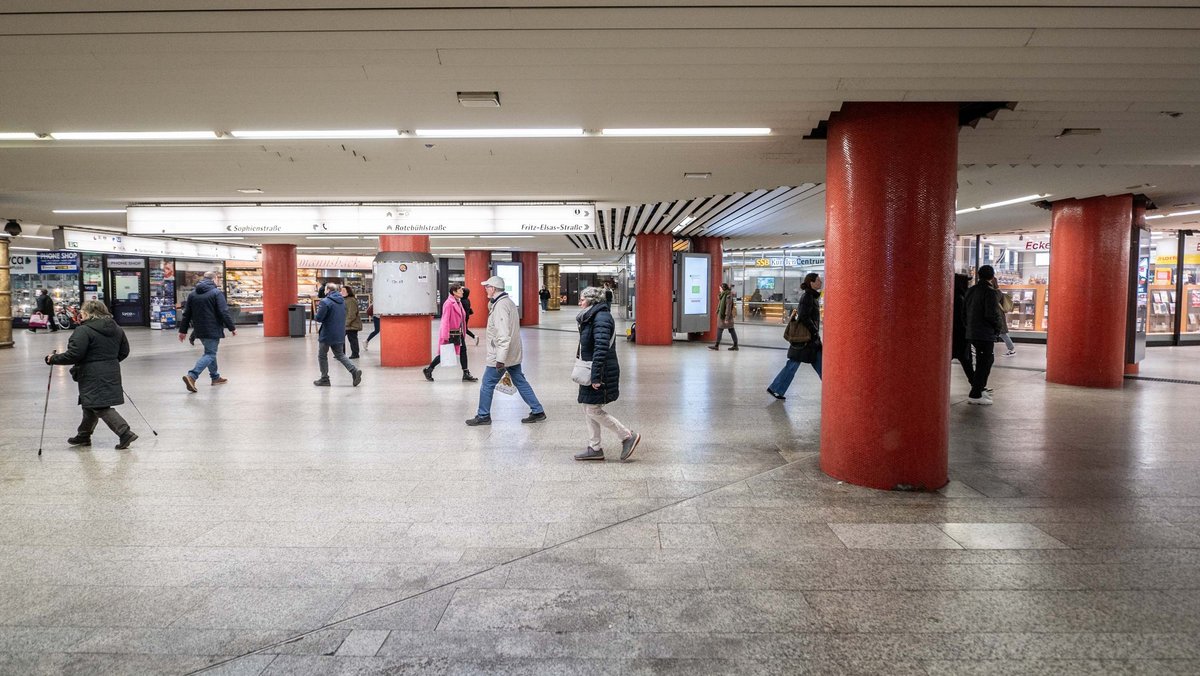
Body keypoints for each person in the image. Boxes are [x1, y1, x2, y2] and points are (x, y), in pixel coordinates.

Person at [45, 300, 137, 449]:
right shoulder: (117, 329)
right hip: (110, 370)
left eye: (82, 311)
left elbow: (74, 354)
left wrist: (53, 359)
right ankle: (84, 435)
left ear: (87, 313)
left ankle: (125, 433)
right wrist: (109, 362)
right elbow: (124, 352)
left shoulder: (84, 330)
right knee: (90, 404)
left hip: (91, 374)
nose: (80, 313)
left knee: (100, 406)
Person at [465, 276, 546, 426]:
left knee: (487, 383)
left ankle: (483, 415)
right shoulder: (506, 303)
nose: (485, 290)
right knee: (520, 381)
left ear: (493, 289)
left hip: (502, 354)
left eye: (487, 287)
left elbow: (503, 334)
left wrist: (500, 359)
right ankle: (537, 410)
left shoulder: (501, 306)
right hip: (512, 353)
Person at [572, 287, 641, 461]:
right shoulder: (591, 316)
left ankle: (626, 435)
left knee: (593, 409)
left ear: (590, 300)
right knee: (588, 407)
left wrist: (596, 376)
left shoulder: (601, 318)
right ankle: (594, 447)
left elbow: (601, 348)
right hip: (591, 368)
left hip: (600, 370)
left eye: (582, 299)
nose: (579, 302)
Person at [178, 271, 236, 392]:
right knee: (210, 354)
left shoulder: (193, 294)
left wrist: (183, 331)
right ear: (214, 279)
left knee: (210, 352)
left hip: (199, 329)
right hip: (213, 329)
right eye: (218, 279)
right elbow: (224, 312)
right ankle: (192, 376)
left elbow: (186, 314)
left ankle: (215, 377)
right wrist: (232, 327)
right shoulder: (216, 293)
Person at [767, 273, 823, 399]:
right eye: (818, 280)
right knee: (794, 364)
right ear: (811, 283)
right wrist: (814, 331)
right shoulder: (808, 297)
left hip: (809, 339)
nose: (821, 282)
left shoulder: (811, 296)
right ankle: (776, 388)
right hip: (806, 339)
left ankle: (776, 388)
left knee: (816, 363)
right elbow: (804, 316)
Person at [963, 265, 1004, 405]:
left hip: (972, 332)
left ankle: (979, 390)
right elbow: (992, 314)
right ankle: (975, 394)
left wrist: (968, 327)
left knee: (985, 361)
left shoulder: (970, 291)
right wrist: (998, 328)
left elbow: (964, 313)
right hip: (984, 333)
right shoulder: (989, 292)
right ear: (992, 277)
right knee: (984, 362)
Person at [423, 283, 477, 382]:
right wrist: (445, 335)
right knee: (445, 353)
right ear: (454, 292)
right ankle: (429, 369)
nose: (462, 291)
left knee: (463, 351)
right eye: (460, 290)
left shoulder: (458, 302)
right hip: (451, 333)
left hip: (459, 332)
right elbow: (445, 320)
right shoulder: (448, 303)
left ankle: (466, 373)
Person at [313, 282, 363, 388]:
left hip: (327, 333)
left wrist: (315, 314)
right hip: (339, 332)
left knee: (322, 355)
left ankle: (324, 378)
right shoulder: (342, 301)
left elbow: (319, 318)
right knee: (340, 354)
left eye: (325, 289)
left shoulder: (325, 302)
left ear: (328, 290)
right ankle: (354, 371)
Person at [951, 273, 975, 387]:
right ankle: (976, 387)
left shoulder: (953, 296)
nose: (968, 284)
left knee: (966, 361)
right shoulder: (960, 298)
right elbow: (961, 319)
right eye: (967, 282)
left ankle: (976, 386)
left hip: (955, 336)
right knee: (966, 361)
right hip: (960, 336)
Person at [708, 283, 739, 351]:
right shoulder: (724, 294)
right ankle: (735, 345)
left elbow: (728, 308)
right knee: (730, 330)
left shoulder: (728, 296)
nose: (719, 289)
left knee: (723, 329)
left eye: (720, 288)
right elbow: (719, 297)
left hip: (725, 316)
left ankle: (717, 345)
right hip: (723, 316)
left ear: (723, 288)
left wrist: (726, 318)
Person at [997, 285, 1017, 356]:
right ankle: (1011, 349)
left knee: (1002, 333)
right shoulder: (998, 292)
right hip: (999, 315)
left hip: (998, 316)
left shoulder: (996, 292)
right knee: (1002, 333)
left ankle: (1012, 349)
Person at [343, 286, 363, 359]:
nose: (341, 292)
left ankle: (355, 354)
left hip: (352, 324)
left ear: (348, 292)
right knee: (341, 338)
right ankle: (341, 353)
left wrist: (346, 323)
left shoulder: (351, 300)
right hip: (347, 323)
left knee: (352, 339)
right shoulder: (345, 299)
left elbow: (352, 314)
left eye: (343, 291)